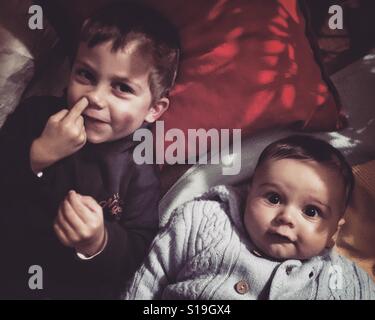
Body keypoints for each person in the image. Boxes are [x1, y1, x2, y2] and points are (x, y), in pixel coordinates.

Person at [0, 1, 180, 299]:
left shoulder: (141, 164)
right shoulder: (36, 116)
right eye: (86, 75)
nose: (95, 97)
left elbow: (139, 247)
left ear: (154, 109)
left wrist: (99, 242)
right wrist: (38, 154)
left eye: (122, 88)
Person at [124, 135, 375, 300]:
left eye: (311, 212)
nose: (286, 217)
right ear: (248, 192)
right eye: (273, 198)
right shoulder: (203, 220)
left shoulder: (342, 281)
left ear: (333, 232)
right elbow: (148, 280)